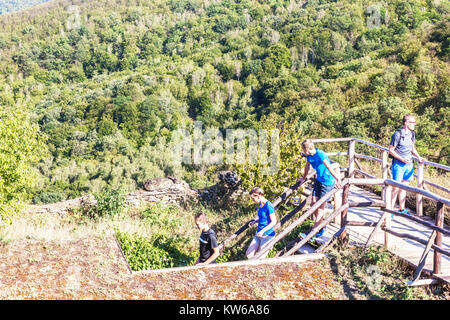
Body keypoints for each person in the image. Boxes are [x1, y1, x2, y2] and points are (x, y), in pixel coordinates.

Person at [298, 139, 342, 238]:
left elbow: (329, 167)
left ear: (307, 149)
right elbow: (307, 168)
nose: (303, 151)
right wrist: (304, 178)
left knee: (320, 207)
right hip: (318, 180)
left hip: (327, 182)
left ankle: (313, 233)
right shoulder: (309, 156)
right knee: (313, 204)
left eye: (303, 149)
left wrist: (338, 179)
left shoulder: (320, 154)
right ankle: (322, 227)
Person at [389, 114, 423, 215]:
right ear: (406, 123)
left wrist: (418, 157)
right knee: (395, 188)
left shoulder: (412, 134)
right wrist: (402, 159)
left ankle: (401, 209)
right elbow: (391, 150)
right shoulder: (397, 134)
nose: (414, 124)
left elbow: (412, 147)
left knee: (404, 187)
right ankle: (389, 210)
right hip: (398, 165)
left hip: (409, 164)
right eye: (412, 122)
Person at [245, 187, 277, 259]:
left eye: (253, 199)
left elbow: (274, 221)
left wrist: (263, 231)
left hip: (267, 235)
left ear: (258, 196)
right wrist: (255, 221)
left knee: (260, 259)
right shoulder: (261, 204)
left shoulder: (269, 205)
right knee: (248, 255)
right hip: (259, 233)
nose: (253, 200)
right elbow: (264, 218)